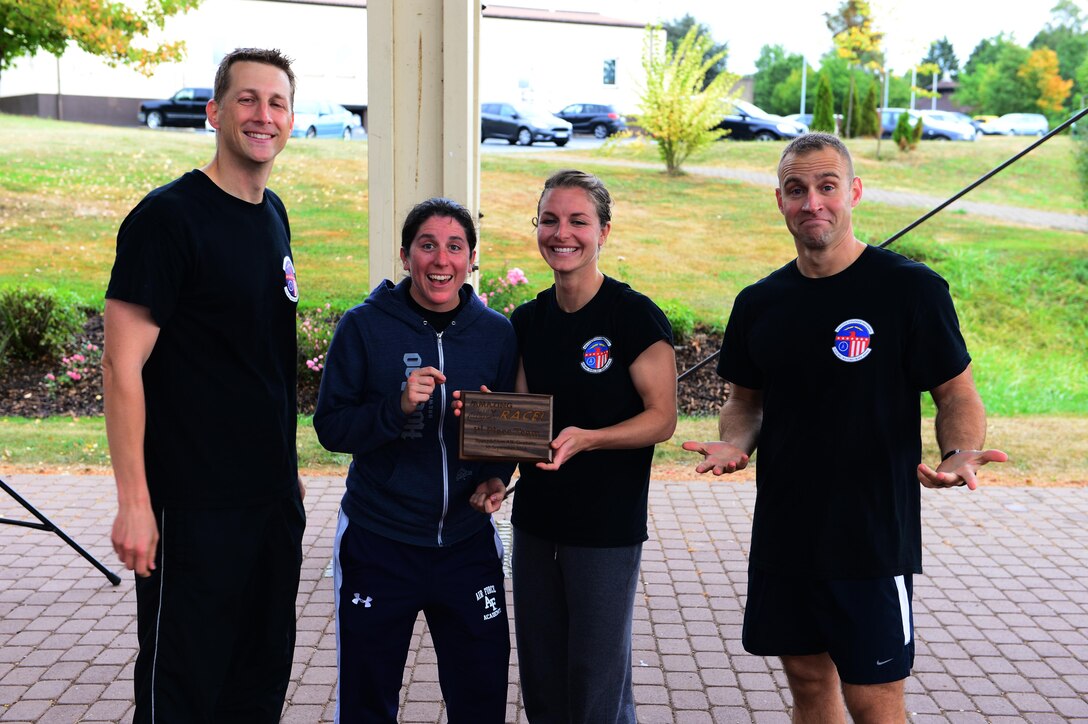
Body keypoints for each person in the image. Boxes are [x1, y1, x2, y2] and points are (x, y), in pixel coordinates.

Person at [683, 132, 1007, 723]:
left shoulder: (909, 289)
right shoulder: (760, 301)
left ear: (853, 191)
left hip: (871, 536)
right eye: (797, 189)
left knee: (874, 700)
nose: (813, 202)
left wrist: (961, 450)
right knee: (808, 683)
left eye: (827, 186)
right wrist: (734, 441)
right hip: (786, 531)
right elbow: (745, 402)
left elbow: (955, 392)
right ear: (779, 200)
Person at [102, 48, 305, 722]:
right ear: (214, 112)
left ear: (291, 120)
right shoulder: (169, 219)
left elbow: (264, 359)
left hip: (269, 505)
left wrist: (287, 470)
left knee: (258, 682)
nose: (262, 115)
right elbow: (120, 365)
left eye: (276, 103)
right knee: (183, 692)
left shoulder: (272, 215)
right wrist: (135, 503)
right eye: (247, 99)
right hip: (193, 510)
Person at [313, 197, 517, 723]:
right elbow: (331, 427)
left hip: (467, 543)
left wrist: (497, 475)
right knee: (367, 697)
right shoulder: (363, 326)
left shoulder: (496, 333)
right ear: (405, 256)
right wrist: (396, 406)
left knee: (481, 697)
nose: (440, 260)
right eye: (427, 246)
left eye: (455, 247)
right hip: (381, 542)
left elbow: (514, 432)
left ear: (472, 259)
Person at [509, 169, 678, 723]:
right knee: (541, 674)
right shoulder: (528, 320)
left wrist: (591, 439)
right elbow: (523, 422)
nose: (563, 233)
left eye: (579, 221)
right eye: (550, 220)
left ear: (604, 231)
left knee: (597, 681)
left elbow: (662, 419)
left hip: (605, 528)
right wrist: (493, 440)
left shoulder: (633, 317)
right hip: (535, 524)